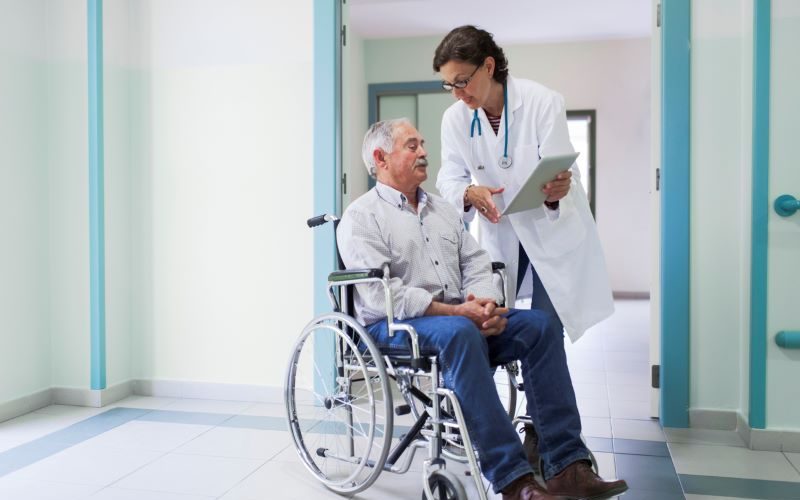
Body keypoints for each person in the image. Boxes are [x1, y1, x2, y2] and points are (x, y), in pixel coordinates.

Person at [337, 118, 627, 500]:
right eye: (412, 145)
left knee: (538, 326)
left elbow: (476, 261)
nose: (424, 152)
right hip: (394, 326)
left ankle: (567, 466)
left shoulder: (441, 210)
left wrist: (485, 302)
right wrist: (456, 313)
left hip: (462, 322)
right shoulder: (362, 217)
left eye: (422, 143)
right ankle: (513, 480)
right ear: (380, 157)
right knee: (460, 333)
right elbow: (379, 296)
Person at [433, 25, 614, 341]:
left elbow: (563, 173)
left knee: (545, 330)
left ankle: (544, 391)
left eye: (462, 82)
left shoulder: (541, 102)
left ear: (488, 67)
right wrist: (467, 192)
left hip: (550, 232)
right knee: (502, 327)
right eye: (449, 85)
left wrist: (556, 193)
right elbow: (449, 176)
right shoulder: (455, 119)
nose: (458, 93)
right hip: (501, 231)